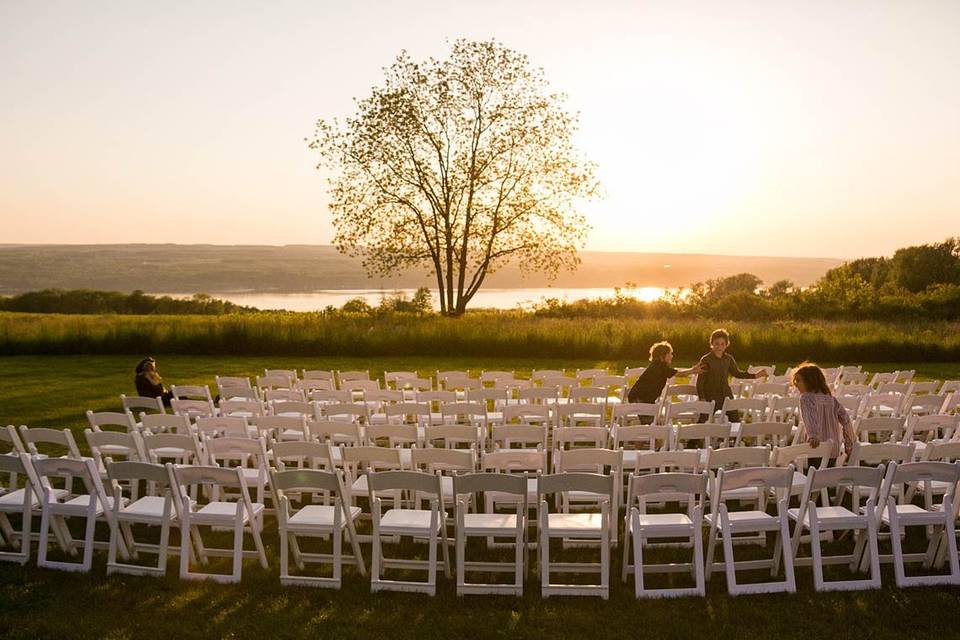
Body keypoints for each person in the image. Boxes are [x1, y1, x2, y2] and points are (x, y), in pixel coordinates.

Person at [695, 328, 765, 423]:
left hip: (726, 396)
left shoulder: (728, 359)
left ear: (726, 345)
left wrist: (755, 375)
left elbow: (737, 373)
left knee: (735, 420)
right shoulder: (706, 360)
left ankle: (736, 437)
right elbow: (700, 381)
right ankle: (694, 438)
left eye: (722, 344)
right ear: (712, 344)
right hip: (710, 397)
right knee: (703, 420)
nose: (719, 347)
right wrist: (702, 397)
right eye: (716, 343)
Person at [793, 361, 855, 464]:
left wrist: (813, 435)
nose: (796, 384)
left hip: (816, 447)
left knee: (815, 477)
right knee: (827, 477)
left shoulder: (806, 398)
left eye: (798, 380)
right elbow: (846, 420)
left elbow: (810, 417)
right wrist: (849, 444)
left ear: (810, 381)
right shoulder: (831, 399)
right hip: (833, 448)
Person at [627, 342, 704, 422]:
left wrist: (693, 370)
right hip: (639, 398)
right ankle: (645, 432)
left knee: (652, 419)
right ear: (662, 356)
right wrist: (693, 371)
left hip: (643, 397)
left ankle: (649, 430)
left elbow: (676, 371)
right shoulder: (660, 367)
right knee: (649, 420)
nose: (672, 356)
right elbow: (680, 373)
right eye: (670, 354)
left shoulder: (657, 365)